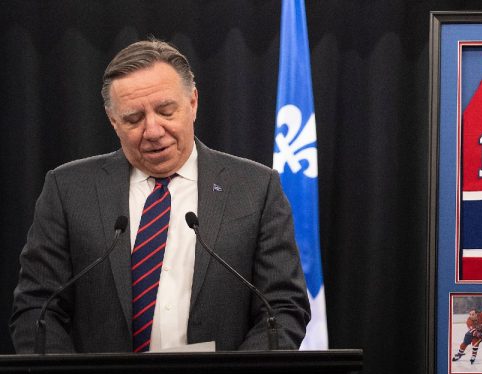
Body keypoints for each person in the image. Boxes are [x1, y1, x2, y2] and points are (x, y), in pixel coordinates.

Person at [9, 39, 310, 353]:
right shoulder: (68, 189)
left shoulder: (255, 188)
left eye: (166, 111)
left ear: (192, 102)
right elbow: (37, 309)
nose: (153, 130)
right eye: (133, 119)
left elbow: (282, 308)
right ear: (113, 121)